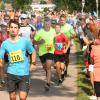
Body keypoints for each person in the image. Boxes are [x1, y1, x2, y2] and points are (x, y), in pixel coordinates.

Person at [0, 20, 36, 100]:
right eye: (11, 27)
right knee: (12, 97)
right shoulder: (5, 44)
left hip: (23, 73)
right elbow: (1, 57)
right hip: (11, 73)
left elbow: (33, 52)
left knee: (22, 97)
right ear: (8, 29)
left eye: (15, 28)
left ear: (18, 30)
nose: (13, 29)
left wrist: (33, 63)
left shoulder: (25, 41)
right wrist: (1, 63)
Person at [33, 17, 56, 91]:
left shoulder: (53, 31)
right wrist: (39, 42)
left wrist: (54, 44)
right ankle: (48, 72)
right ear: (43, 24)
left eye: (48, 24)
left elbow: (54, 38)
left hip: (50, 50)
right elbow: (34, 42)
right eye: (45, 24)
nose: (47, 25)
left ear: (50, 24)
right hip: (42, 52)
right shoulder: (40, 32)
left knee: (48, 66)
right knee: (45, 67)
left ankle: (48, 83)